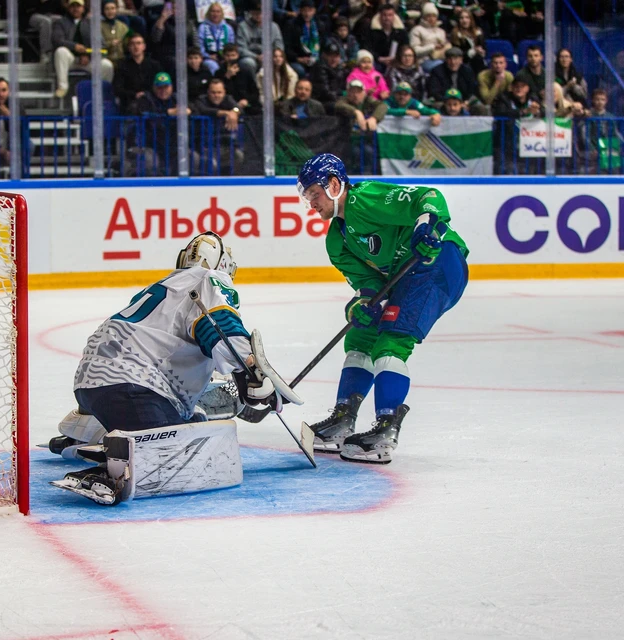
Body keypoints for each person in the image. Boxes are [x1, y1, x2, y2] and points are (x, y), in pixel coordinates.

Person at [49, 231, 283, 505]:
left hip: (94, 382)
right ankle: (106, 471)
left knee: (191, 418)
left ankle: (86, 431)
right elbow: (218, 323)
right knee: (185, 453)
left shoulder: (166, 286)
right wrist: (248, 370)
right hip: (133, 386)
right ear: (224, 266)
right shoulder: (209, 279)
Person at [296, 153, 469, 463]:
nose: (311, 204)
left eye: (315, 194)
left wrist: (427, 225)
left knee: (391, 340)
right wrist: (360, 306)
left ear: (335, 184)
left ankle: (386, 429)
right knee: (361, 336)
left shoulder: (365, 199)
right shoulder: (337, 240)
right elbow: (368, 286)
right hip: (404, 275)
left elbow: (428, 197)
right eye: (307, 197)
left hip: (437, 264)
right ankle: (343, 418)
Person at [52, 0, 115, 98]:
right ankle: (62, 87)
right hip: (70, 59)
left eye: (78, 6)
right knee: (61, 51)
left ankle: (102, 93)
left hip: (88, 60)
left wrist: (88, 55)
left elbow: (101, 45)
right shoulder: (60, 22)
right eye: (73, 6)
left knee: (107, 65)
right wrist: (74, 46)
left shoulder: (90, 23)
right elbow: (57, 40)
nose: (75, 8)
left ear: (83, 8)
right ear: (68, 8)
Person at [112, 32, 162, 114]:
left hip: (152, 100)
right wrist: (134, 95)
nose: (136, 47)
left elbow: (160, 84)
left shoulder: (154, 65)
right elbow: (117, 89)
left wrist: (148, 94)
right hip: (131, 103)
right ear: (128, 48)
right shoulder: (122, 66)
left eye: (138, 43)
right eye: (132, 44)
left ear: (144, 46)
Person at [237, 0, 285, 74]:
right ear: (250, 12)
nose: (259, 15)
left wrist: (272, 56)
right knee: (248, 63)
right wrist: (257, 57)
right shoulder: (242, 26)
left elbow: (279, 45)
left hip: (271, 57)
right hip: (251, 57)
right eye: (256, 13)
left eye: (261, 12)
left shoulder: (274, 26)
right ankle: (254, 85)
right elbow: (241, 48)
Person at [409, 2, 450, 73]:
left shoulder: (441, 31)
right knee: (440, 67)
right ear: (424, 17)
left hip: (442, 58)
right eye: (428, 16)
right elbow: (414, 51)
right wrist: (432, 47)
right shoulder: (417, 30)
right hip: (424, 61)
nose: (431, 18)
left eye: (434, 16)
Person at [197, 1, 235, 75]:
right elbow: (199, 46)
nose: (215, 14)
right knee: (213, 66)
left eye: (218, 12)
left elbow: (231, 45)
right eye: (213, 11)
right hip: (208, 57)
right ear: (209, 13)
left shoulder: (228, 28)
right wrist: (208, 56)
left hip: (225, 57)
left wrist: (226, 57)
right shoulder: (202, 27)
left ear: (222, 13)